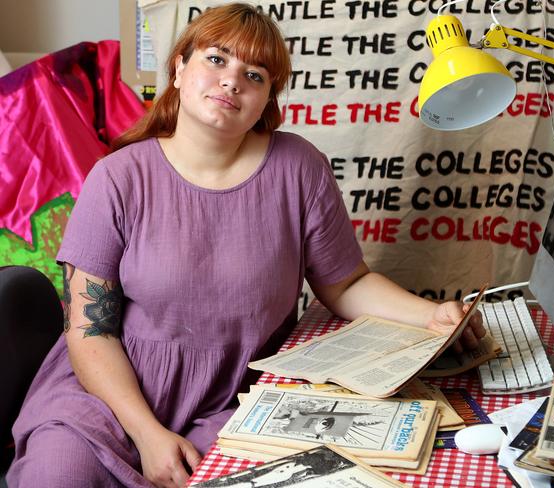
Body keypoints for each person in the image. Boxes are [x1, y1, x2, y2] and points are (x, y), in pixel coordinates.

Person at [7, 4, 485, 487]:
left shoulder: (299, 168)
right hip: (105, 400)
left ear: (266, 101)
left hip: (233, 402)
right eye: (216, 59)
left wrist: (430, 315)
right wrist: (148, 433)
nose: (231, 81)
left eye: (253, 74)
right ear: (178, 68)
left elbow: (346, 284)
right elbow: (91, 333)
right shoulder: (117, 178)